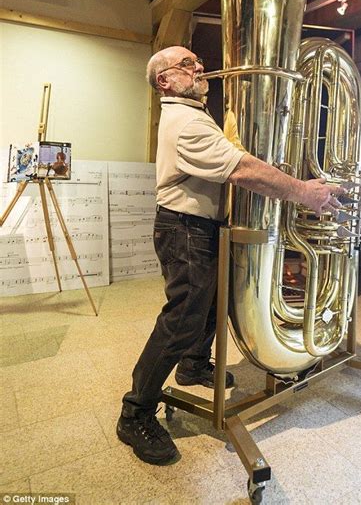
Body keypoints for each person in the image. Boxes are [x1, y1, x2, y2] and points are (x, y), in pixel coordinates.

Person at [117, 45, 345, 466]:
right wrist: (303, 191)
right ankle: (135, 413)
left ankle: (193, 365)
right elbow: (241, 169)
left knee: (214, 305)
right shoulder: (187, 123)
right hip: (184, 228)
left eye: (196, 60)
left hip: (198, 226)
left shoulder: (194, 115)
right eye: (185, 65)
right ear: (164, 81)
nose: (198, 66)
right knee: (181, 320)